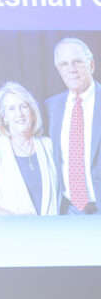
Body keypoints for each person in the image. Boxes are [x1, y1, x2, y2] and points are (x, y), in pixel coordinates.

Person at [43, 38, 100, 214]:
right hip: (68, 210)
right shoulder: (48, 107)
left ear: (91, 65)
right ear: (59, 70)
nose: (71, 69)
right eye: (64, 64)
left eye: (77, 62)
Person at [0, 81, 59, 215]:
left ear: (32, 112)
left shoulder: (51, 146)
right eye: (11, 109)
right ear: (4, 118)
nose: (19, 114)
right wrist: (15, 218)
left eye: (23, 106)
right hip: (13, 233)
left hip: (53, 232)